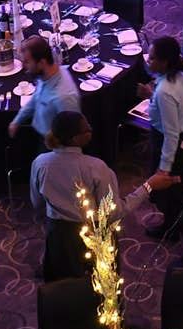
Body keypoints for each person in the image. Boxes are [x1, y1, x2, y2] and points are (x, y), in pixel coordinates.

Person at [29, 110, 119, 280]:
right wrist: (147, 188)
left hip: (56, 232)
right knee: (94, 281)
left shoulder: (40, 162)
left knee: (60, 282)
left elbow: (37, 203)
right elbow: (112, 212)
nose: (91, 129)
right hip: (91, 233)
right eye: (86, 129)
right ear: (75, 139)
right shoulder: (97, 167)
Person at [141, 36, 183, 268]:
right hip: (180, 137)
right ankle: (171, 229)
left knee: (176, 201)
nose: (148, 61)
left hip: (172, 146)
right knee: (167, 196)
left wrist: (164, 169)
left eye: (152, 58)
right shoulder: (178, 76)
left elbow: (171, 134)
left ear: (165, 62)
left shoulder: (164, 92)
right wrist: (150, 95)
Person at [8, 36, 80, 142]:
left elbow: (71, 136)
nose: (24, 66)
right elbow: (36, 97)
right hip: (40, 134)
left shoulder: (64, 97)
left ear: (41, 63)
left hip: (53, 145)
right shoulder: (46, 75)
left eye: (27, 62)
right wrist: (17, 121)